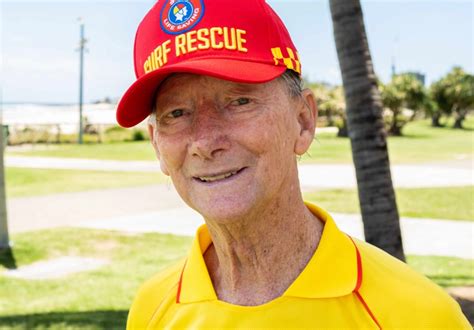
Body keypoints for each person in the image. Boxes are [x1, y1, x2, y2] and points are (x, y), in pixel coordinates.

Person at [117, 0, 470, 328]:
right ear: (157, 146)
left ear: (303, 120)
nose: (206, 142)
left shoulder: (417, 314)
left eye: (239, 101)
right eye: (177, 113)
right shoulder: (152, 307)